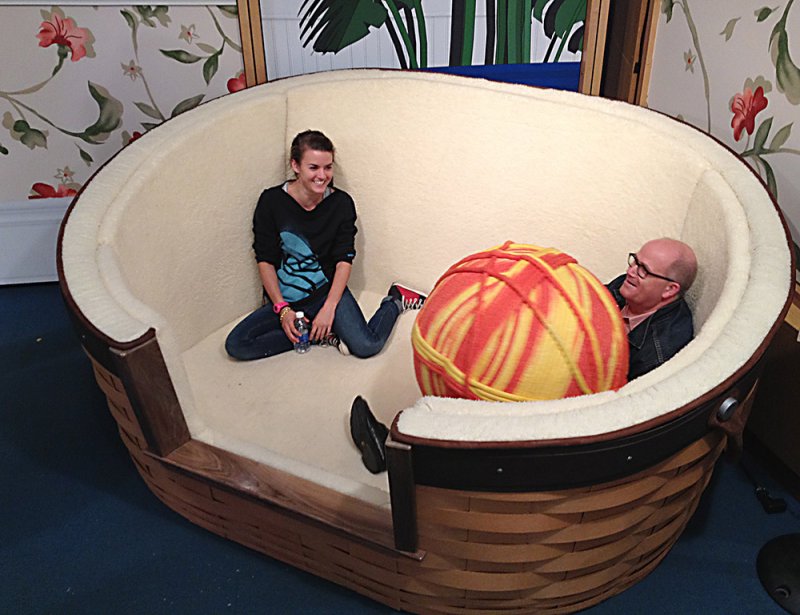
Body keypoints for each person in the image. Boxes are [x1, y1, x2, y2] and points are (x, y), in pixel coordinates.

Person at [349, 238, 698, 473]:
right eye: (635, 260)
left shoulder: (663, 348)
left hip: (582, 413)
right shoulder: (626, 287)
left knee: (494, 419)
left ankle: (401, 458)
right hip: (571, 379)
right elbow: (581, 309)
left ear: (670, 290)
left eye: (645, 269)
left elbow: (622, 409)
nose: (633, 270)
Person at [225, 130, 426, 361]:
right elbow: (265, 259)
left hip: (326, 291)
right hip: (287, 296)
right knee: (237, 345)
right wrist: (282, 309)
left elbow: (344, 259)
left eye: (328, 167)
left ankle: (395, 300)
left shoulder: (341, 204)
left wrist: (330, 307)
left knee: (366, 345)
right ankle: (318, 334)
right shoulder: (271, 202)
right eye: (313, 168)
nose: (322, 175)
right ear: (296, 165)